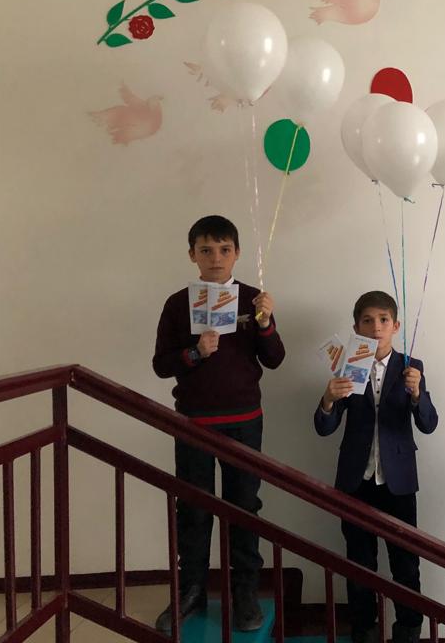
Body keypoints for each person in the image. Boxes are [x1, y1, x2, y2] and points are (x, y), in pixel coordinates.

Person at [151, 215, 285, 634]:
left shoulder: (253, 300)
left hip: (244, 421)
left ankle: (244, 592)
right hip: (195, 422)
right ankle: (190, 590)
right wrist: (195, 353)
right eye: (206, 250)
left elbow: (275, 359)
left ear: (237, 253)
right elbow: (161, 365)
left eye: (224, 249)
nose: (216, 258)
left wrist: (264, 323)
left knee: (244, 507)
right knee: (193, 507)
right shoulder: (178, 304)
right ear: (192, 254)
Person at [314, 291, 438, 643]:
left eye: (384, 320)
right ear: (356, 327)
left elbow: (429, 424)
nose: (376, 327)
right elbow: (323, 427)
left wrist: (418, 395)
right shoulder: (347, 365)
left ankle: (408, 631)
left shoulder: (413, 366)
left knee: (406, 563)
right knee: (359, 563)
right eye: (367, 321)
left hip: (399, 481)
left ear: (395, 326)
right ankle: (364, 630)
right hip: (356, 480)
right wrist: (328, 399)